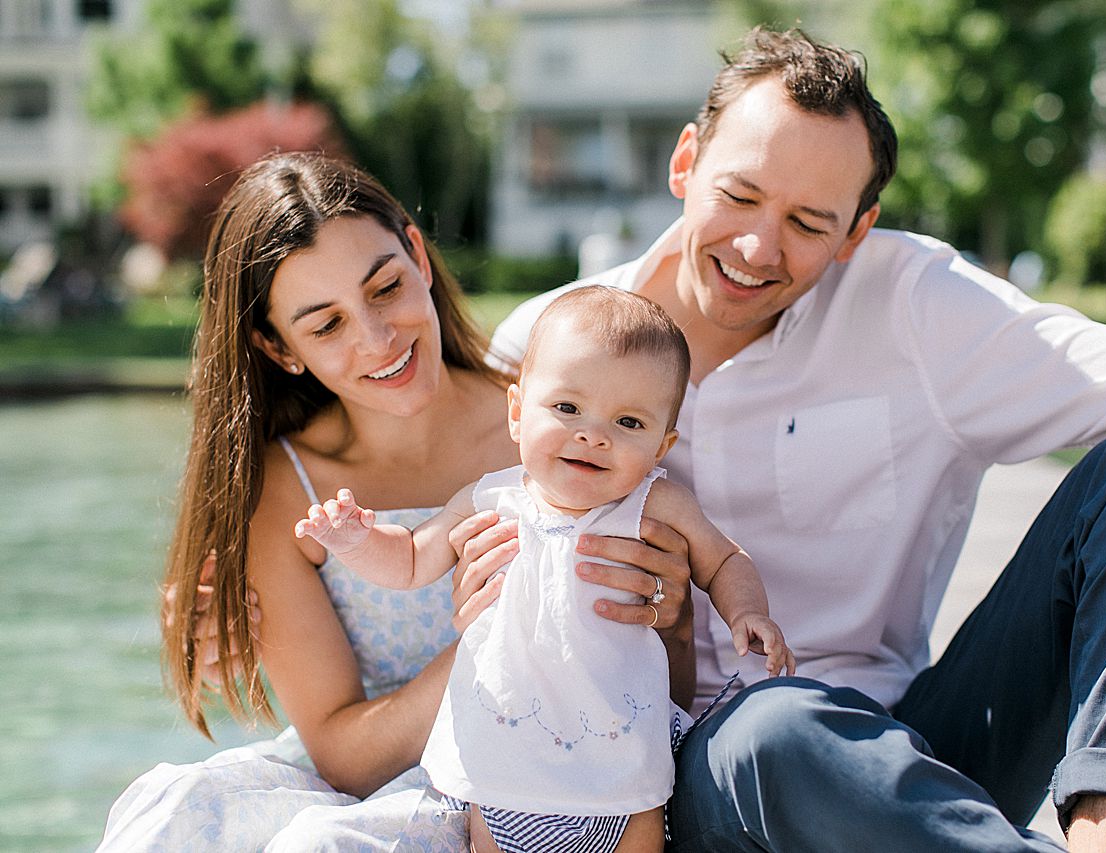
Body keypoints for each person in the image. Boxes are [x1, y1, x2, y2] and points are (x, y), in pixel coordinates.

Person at [482, 27, 1106, 853]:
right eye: (741, 195)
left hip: (915, 747)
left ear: (856, 231)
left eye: (806, 221)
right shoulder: (549, 349)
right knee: (772, 731)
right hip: (677, 779)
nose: (759, 247)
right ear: (685, 162)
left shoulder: (916, 309)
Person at [98, 153, 694, 851]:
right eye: (326, 325)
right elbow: (343, 755)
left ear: (418, 253)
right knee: (171, 813)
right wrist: (494, 643)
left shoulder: (568, 431)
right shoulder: (287, 487)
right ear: (278, 346)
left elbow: (666, 688)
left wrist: (665, 621)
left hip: (538, 781)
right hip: (358, 783)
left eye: (384, 287)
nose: (376, 339)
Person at [296, 285, 793, 853]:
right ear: (517, 412)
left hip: (622, 767)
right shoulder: (490, 498)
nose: (593, 434)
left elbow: (725, 557)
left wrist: (748, 611)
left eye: (629, 422)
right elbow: (410, 558)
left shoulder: (656, 505)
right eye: (567, 408)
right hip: (503, 763)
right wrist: (355, 540)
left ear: (662, 445)